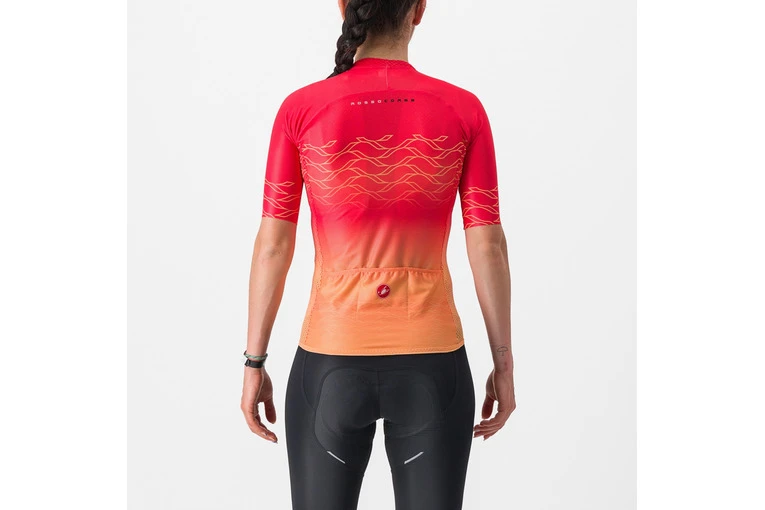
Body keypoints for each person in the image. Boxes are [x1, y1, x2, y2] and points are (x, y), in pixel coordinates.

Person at [240, 0, 516, 508]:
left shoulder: (301, 109)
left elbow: (273, 245)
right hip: (433, 360)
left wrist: (254, 362)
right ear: (419, 10)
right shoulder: (463, 109)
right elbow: (488, 245)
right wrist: (504, 363)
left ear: (344, 6)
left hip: (330, 360)